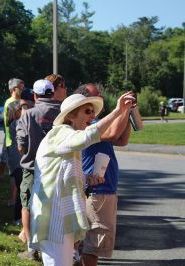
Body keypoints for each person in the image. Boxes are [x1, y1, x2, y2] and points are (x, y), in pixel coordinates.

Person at [30, 92, 134, 266]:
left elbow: (61, 173)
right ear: (71, 116)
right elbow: (89, 136)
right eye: (87, 111)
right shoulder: (61, 132)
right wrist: (117, 111)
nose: (92, 116)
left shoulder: (68, 135)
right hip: (54, 217)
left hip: (62, 216)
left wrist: (86, 179)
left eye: (93, 112)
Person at [74, 84, 132, 266]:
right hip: (96, 189)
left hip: (103, 189)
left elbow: (121, 139)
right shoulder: (88, 124)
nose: (101, 97)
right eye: (97, 95)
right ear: (85, 100)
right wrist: (122, 110)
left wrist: (127, 113)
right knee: (94, 245)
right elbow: (114, 132)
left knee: (90, 244)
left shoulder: (94, 121)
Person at [15, 78, 62, 260]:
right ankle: (59, 245)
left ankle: (32, 249)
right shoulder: (64, 112)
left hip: (33, 168)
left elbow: (21, 147)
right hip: (57, 168)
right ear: (52, 92)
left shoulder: (28, 114)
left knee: (27, 206)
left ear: (35, 95)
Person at [5, 100, 24, 225]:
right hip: (18, 161)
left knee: (21, 189)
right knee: (22, 190)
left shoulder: (14, 123)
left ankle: (19, 217)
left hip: (16, 159)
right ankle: (18, 217)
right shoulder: (16, 123)